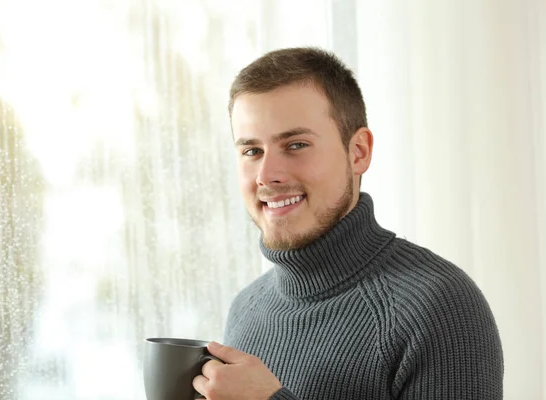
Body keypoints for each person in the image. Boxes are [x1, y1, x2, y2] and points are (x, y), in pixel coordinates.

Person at [192, 47, 504, 400]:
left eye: (296, 144)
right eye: (252, 151)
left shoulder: (440, 306)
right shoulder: (246, 308)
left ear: (358, 152)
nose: (267, 175)